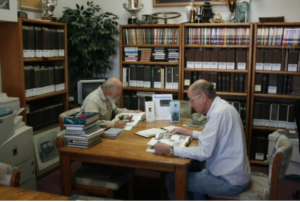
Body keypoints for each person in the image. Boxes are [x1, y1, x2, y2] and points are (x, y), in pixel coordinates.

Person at [154, 79, 250, 200]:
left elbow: (203, 153)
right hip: (233, 172)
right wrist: (188, 132)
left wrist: (170, 149)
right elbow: (213, 136)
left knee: (172, 179)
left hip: (228, 181)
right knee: (192, 166)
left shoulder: (218, 114)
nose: (190, 105)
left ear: (203, 97)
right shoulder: (221, 107)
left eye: (191, 100)